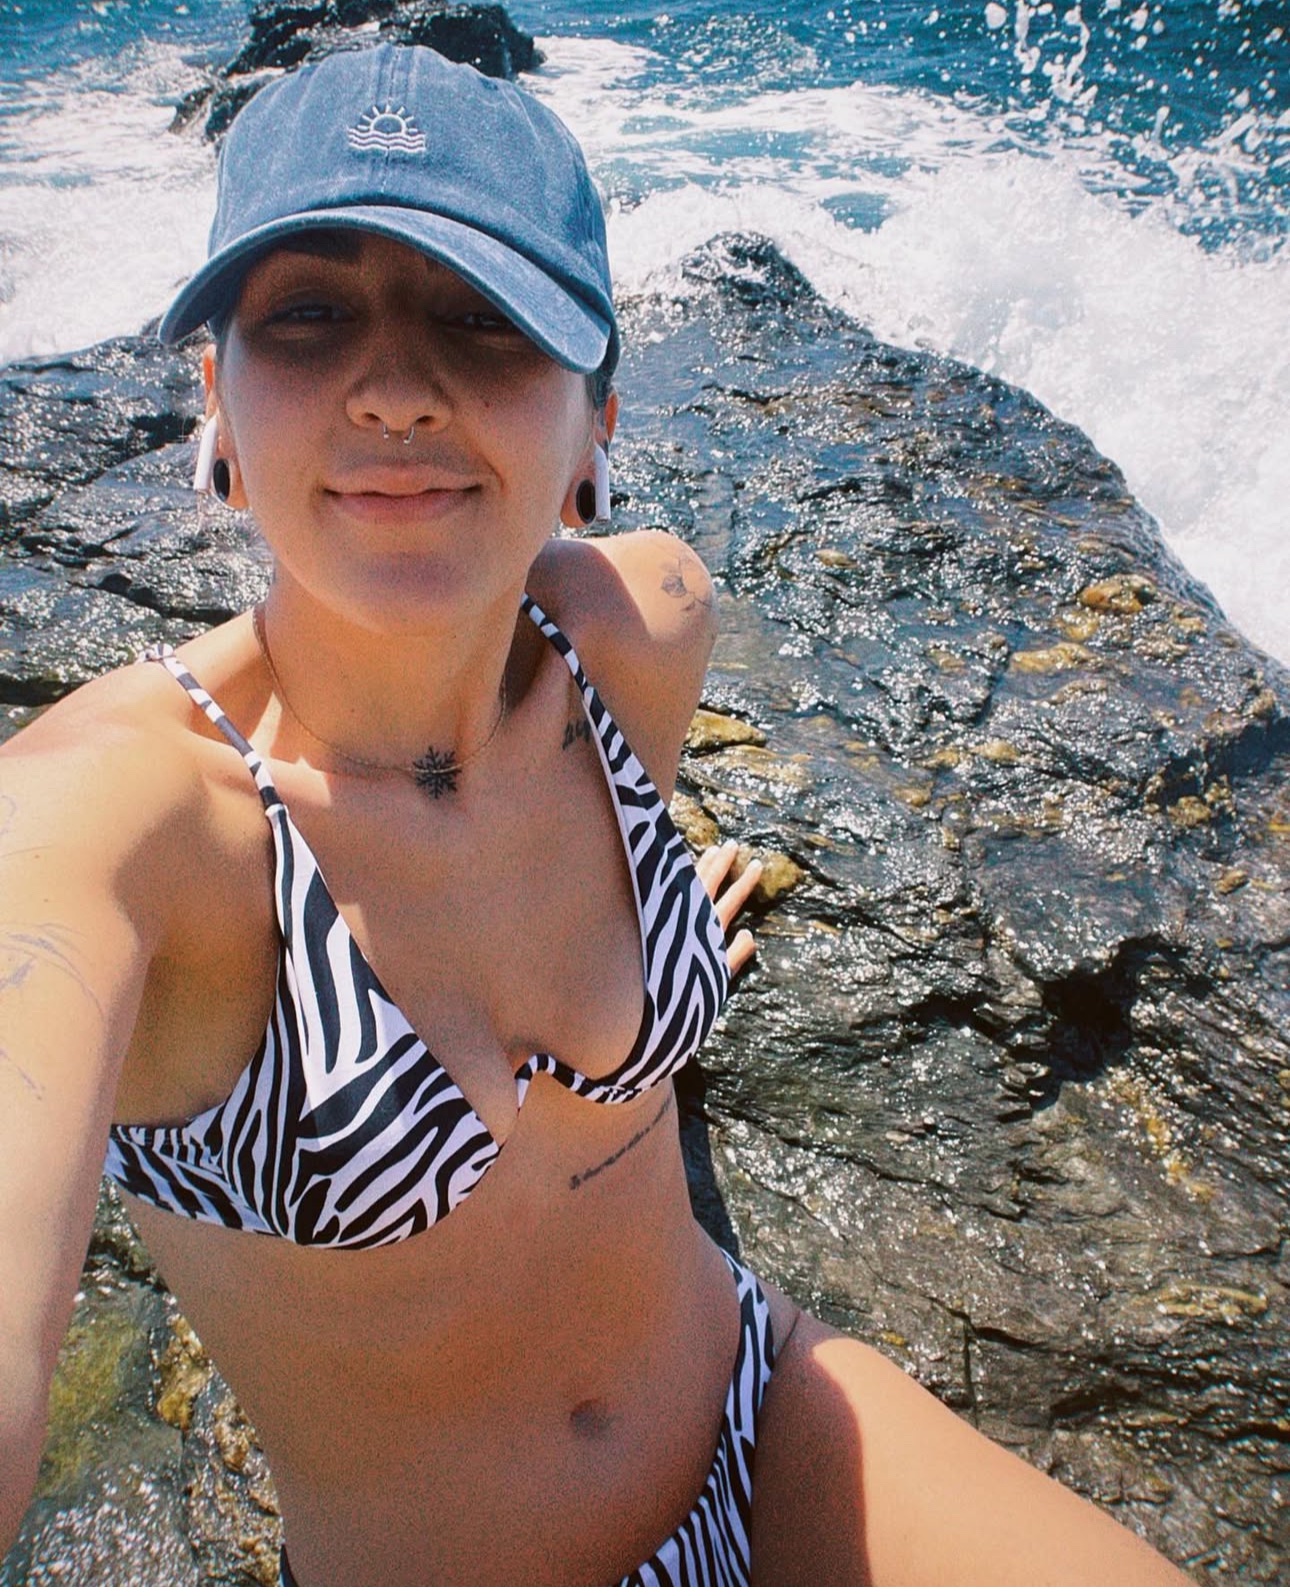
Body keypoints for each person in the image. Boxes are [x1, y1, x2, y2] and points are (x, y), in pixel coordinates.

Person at [0, 43, 1189, 1586]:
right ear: (217, 403)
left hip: (764, 1411)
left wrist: (655, 951)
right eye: (308, 317)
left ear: (597, 424)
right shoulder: (119, 823)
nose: (395, 390)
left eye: (482, 319)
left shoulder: (636, 635)